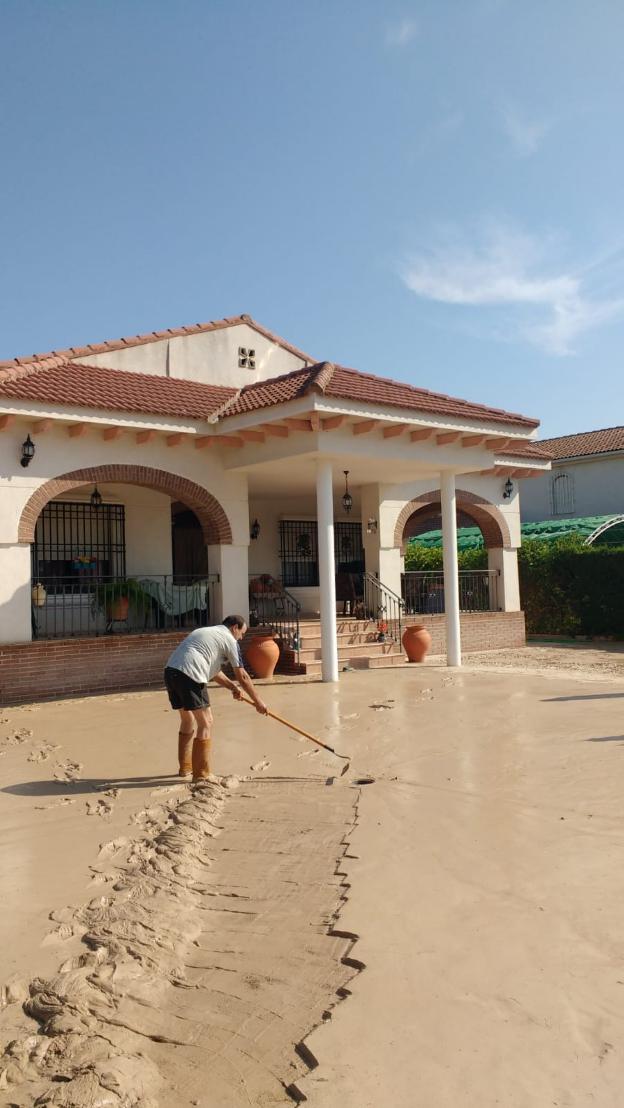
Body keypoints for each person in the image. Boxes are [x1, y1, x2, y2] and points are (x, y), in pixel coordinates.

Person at [164, 615, 267, 782]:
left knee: (187, 719)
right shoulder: (229, 640)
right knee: (206, 722)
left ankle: (185, 768)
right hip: (191, 674)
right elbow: (243, 676)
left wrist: (232, 687)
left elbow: (214, 672)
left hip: (171, 672)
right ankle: (201, 775)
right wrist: (258, 702)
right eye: (242, 633)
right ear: (235, 628)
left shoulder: (208, 633)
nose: (241, 638)